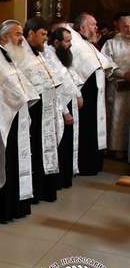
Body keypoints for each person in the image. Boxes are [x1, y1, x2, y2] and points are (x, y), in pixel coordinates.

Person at [0, 21, 39, 223]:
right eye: (17, 34)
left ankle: (16, 206)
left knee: (15, 161)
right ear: (4, 37)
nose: (21, 39)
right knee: (5, 161)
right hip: (1, 120)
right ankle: (2, 209)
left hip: (15, 117)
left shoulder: (8, 57)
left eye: (21, 34)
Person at [15, 17, 62, 203]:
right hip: (33, 110)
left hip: (46, 109)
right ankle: (34, 190)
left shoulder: (39, 53)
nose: (46, 39)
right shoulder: (20, 54)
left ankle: (44, 189)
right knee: (34, 149)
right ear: (31, 33)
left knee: (45, 147)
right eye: (43, 34)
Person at [69, 13, 115, 175]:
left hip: (95, 94)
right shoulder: (76, 43)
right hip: (85, 94)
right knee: (86, 130)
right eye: (92, 24)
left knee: (94, 128)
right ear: (82, 28)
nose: (96, 27)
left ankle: (94, 164)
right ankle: (85, 165)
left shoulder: (87, 43)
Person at [45, 26, 83, 188]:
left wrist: (78, 94)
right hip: (59, 108)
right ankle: (58, 180)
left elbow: (70, 76)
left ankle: (67, 177)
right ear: (56, 42)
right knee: (60, 145)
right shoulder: (49, 57)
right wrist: (65, 112)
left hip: (69, 104)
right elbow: (57, 87)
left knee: (68, 144)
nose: (70, 44)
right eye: (67, 41)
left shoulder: (62, 55)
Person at [100, 13, 130, 161]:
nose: (129, 30)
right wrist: (124, 74)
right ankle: (116, 149)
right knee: (117, 117)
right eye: (126, 26)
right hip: (118, 88)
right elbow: (106, 64)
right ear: (119, 27)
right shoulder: (111, 44)